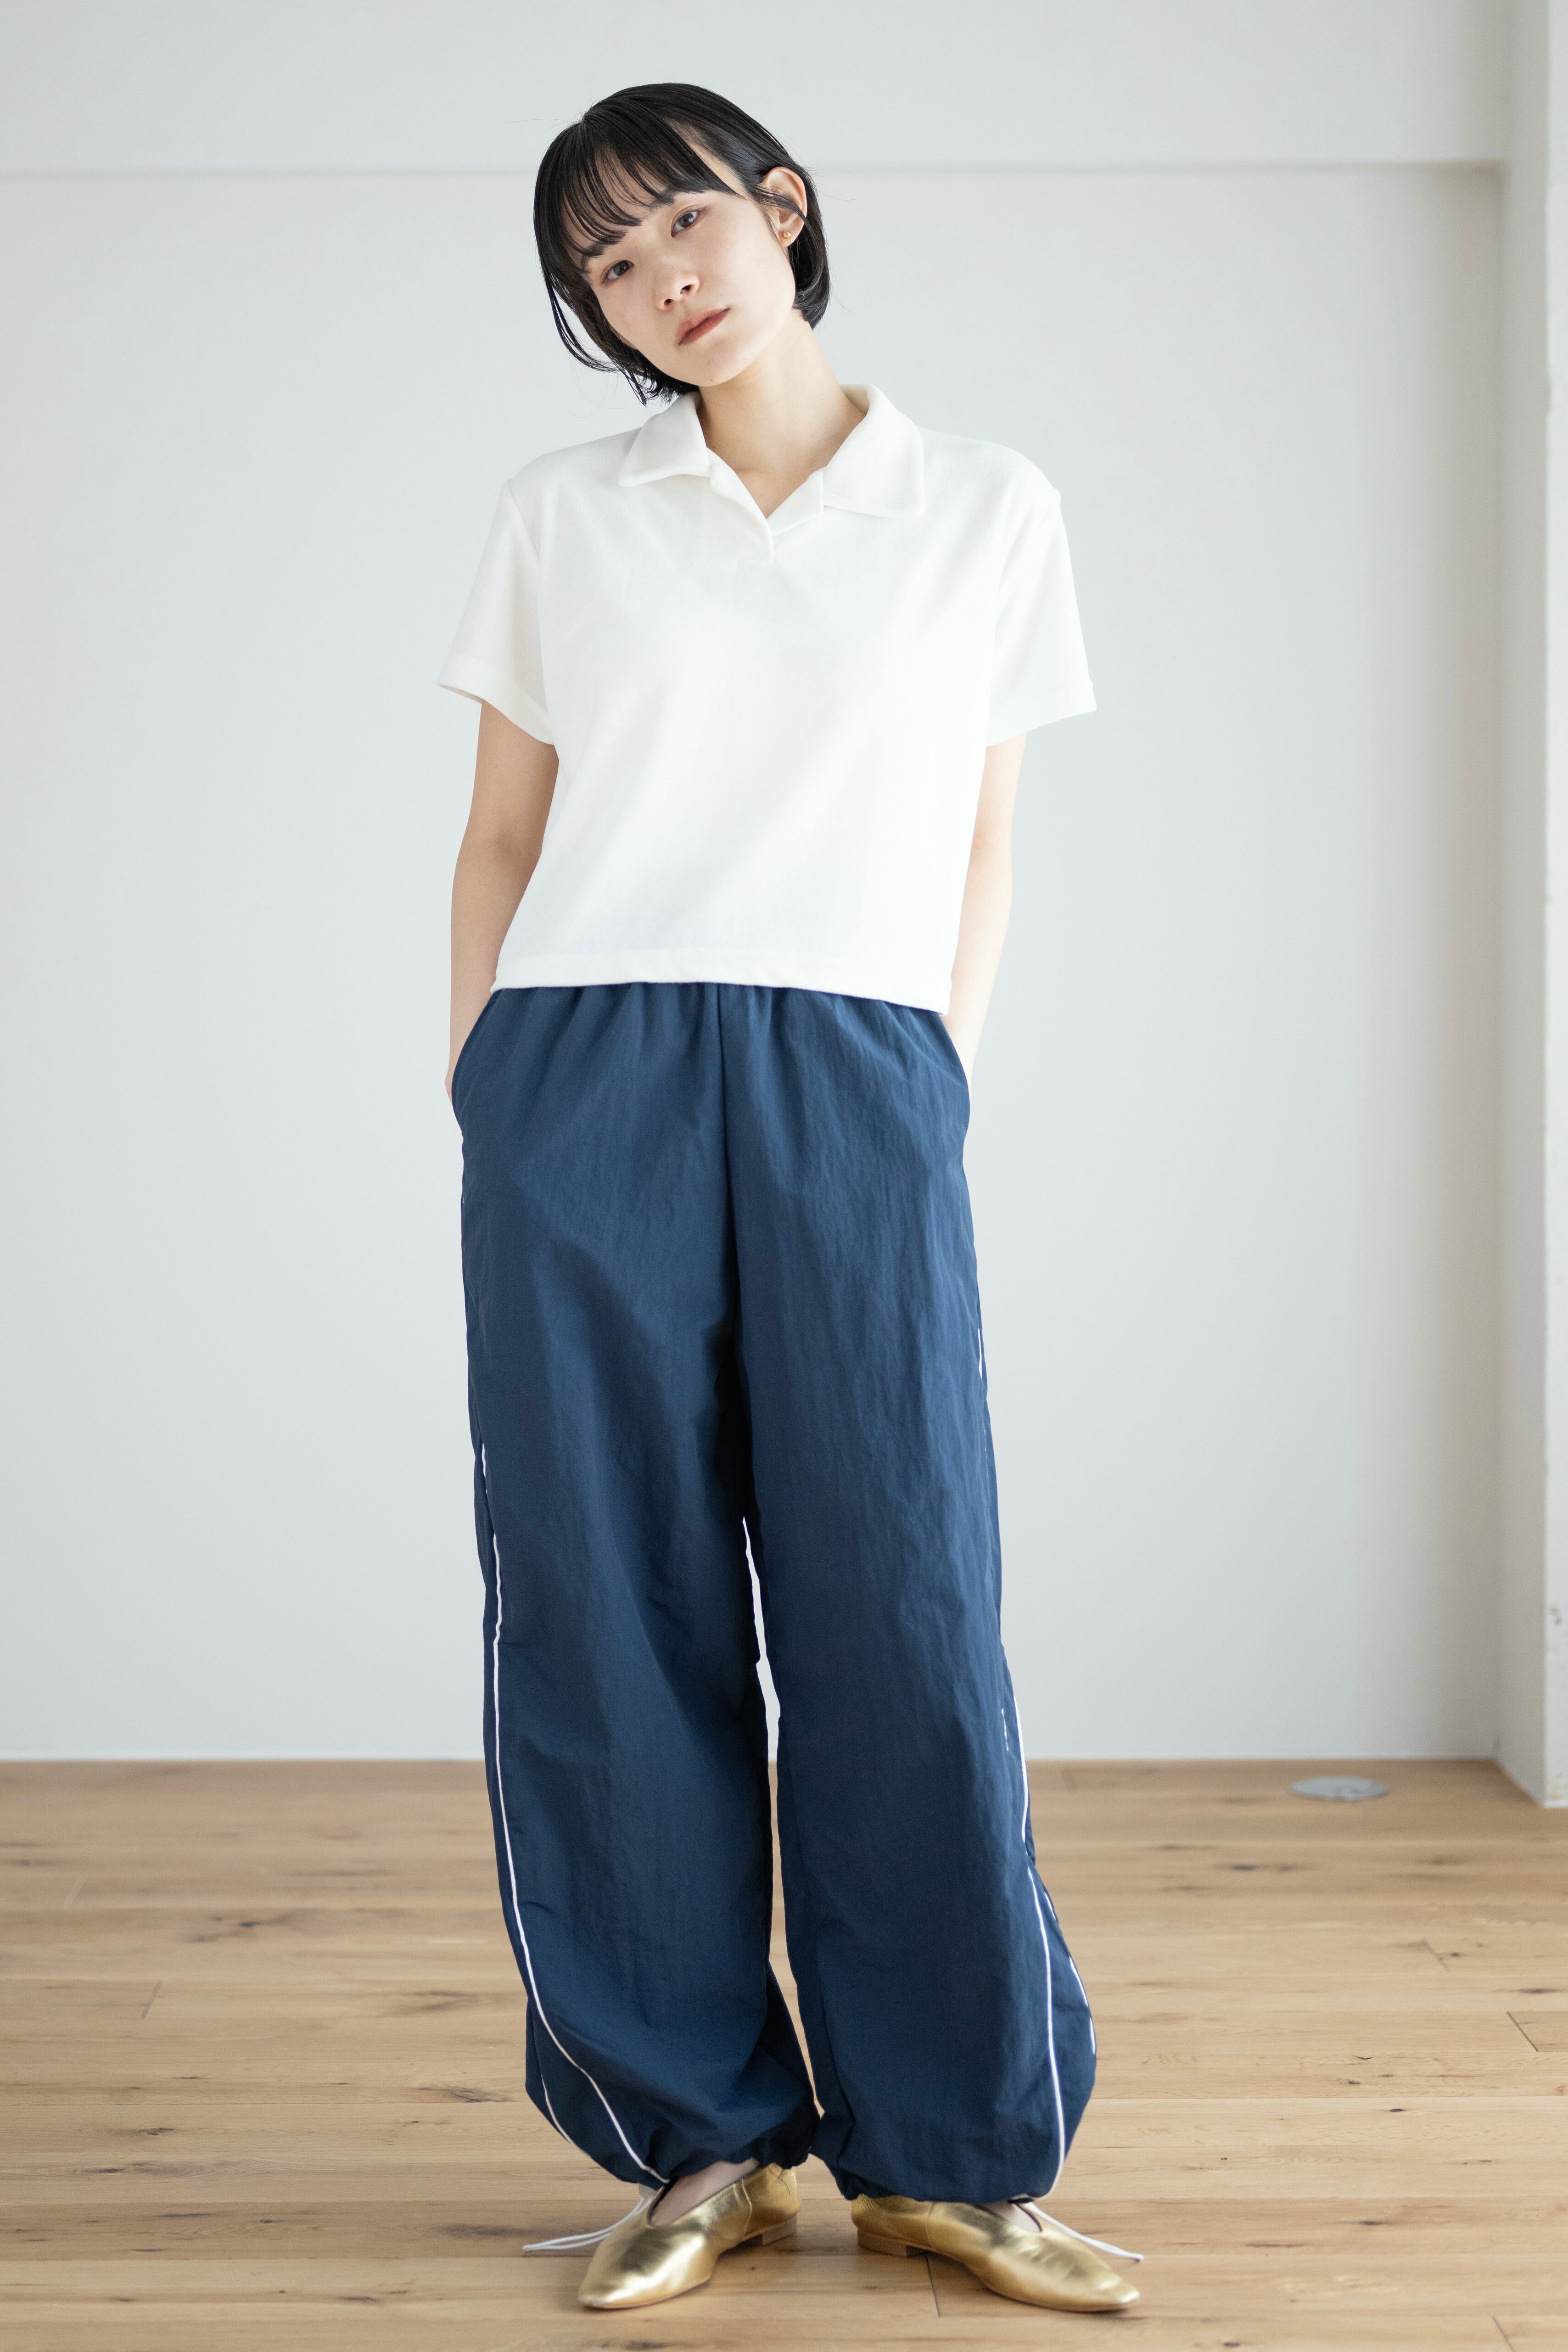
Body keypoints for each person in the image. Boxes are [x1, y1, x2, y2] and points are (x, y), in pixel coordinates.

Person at [437, 82, 1139, 2317]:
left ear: (781, 208)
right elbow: (499, 834)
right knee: (602, 1603)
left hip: (856, 1068)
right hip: (583, 1068)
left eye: (683, 225)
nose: (661, 281)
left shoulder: (983, 505)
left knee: (899, 1598)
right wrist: (489, 1091)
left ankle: (947, 2149)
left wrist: (927, 1074)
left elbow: (983, 833)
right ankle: (698, 2137)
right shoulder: (564, 513)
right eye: (606, 267)